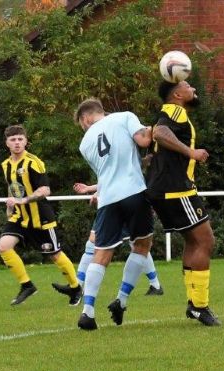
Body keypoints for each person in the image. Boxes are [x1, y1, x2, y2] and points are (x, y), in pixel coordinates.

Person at [74, 98, 154, 331]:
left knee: (101, 254)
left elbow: (108, 170)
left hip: (107, 199)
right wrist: (157, 128)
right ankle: (122, 299)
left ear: (86, 118)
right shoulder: (124, 117)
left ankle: (87, 312)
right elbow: (143, 139)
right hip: (134, 192)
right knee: (141, 245)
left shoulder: (84, 144)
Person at [147, 80, 220, 326]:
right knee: (206, 240)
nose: (194, 89)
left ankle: (194, 304)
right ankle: (199, 306)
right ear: (178, 94)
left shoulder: (168, 112)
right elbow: (160, 133)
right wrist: (191, 153)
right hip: (176, 189)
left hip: (165, 189)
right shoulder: (175, 110)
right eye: (189, 86)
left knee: (193, 241)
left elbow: (154, 140)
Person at [0, 125, 81, 306]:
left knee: (55, 255)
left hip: (40, 217)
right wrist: (11, 206)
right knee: (3, 247)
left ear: (26, 141)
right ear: (7, 143)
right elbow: (13, 189)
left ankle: (75, 287)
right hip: (20, 217)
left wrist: (24, 200)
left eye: (20, 139)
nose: (17, 143)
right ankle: (27, 285)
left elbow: (45, 190)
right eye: (13, 140)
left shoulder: (33, 162)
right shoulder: (6, 165)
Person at [71, 182, 164, 296]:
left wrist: (96, 191)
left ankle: (77, 287)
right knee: (138, 246)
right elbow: (111, 178)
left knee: (138, 245)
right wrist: (92, 189)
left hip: (122, 204)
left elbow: (120, 178)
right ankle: (155, 285)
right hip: (114, 203)